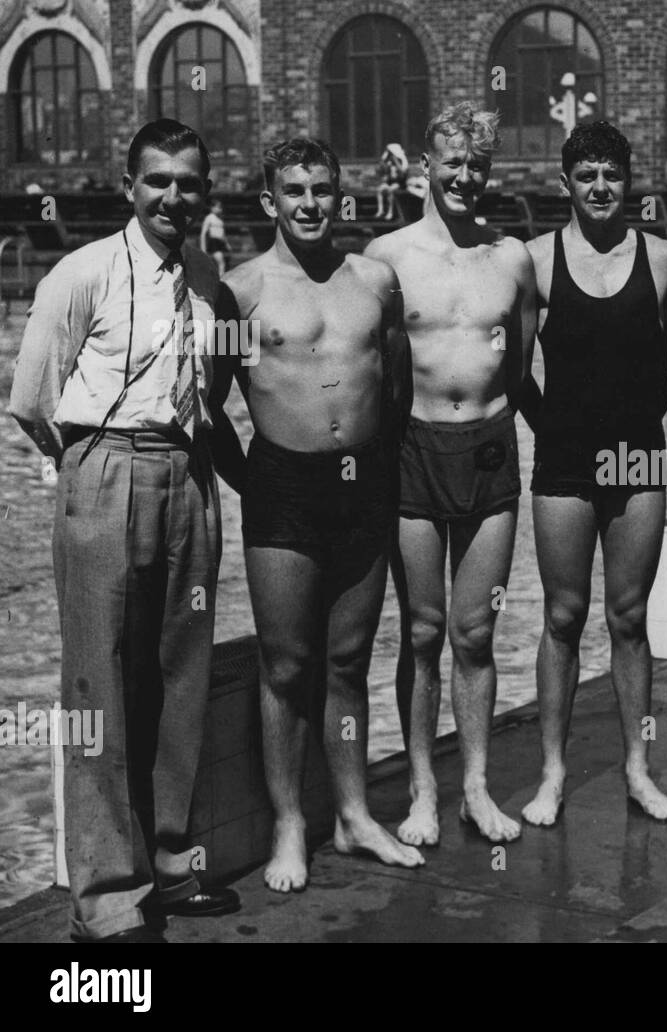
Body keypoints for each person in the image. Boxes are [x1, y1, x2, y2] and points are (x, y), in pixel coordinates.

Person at [9, 118, 246, 942]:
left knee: (181, 671)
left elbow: (213, 394)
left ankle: (173, 864)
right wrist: (89, 468)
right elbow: (32, 399)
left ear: (205, 192)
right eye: (158, 181)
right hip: (104, 471)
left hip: (190, 477)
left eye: (189, 183)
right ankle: (108, 895)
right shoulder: (82, 274)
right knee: (99, 687)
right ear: (129, 186)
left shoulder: (211, 283)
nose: (173, 197)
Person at [223, 137, 423, 892]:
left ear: (341, 196)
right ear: (270, 201)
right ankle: (288, 825)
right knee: (287, 665)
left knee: (347, 661)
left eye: (322, 189)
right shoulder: (240, 293)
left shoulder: (374, 280)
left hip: (362, 482)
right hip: (283, 487)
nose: (310, 203)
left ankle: (353, 812)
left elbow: (395, 383)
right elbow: (207, 407)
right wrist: (258, 484)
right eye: (294, 191)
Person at [364, 103, 536, 844]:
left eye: (478, 165)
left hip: (491, 447)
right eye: (453, 163)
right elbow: (365, 367)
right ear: (425, 167)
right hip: (413, 449)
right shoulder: (388, 257)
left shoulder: (512, 258)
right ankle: (422, 793)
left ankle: (475, 787)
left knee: (475, 630)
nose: (466, 177)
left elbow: (524, 367)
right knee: (424, 630)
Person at [518, 121, 667, 825]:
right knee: (562, 616)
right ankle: (553, 774)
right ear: (566, 184)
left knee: (627, 618)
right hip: (563, 458)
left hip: (639, 459)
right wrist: (552, 427)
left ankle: (637, 769)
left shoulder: (665, 261)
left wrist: (640, 426)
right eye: (586, 176)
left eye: (611, 176)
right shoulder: (535, 260)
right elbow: (516, 367)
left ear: (629, 181)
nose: (599, 188)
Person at [376, 143, 408, 220]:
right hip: (390, 183)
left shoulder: (401, 161)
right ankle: (381, 210)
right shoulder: (389, 162)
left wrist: (395, 161)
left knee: (390, 191)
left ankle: (390, 212)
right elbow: (381, 170)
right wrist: (383, 159)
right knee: (380, 190)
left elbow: (403, 173)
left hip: (399, 183)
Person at [201, 198, 229, 275]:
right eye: (218, 207)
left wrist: (227, 244)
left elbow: (223, 234)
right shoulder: (209, 217)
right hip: (214, 242)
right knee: (221, 263)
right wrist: (203, 248)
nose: (220, 209)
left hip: (221, 243)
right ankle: (221, 281)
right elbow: (203, 233)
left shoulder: (220, 220)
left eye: (221, 207)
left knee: (222, 263)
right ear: (212, 208)